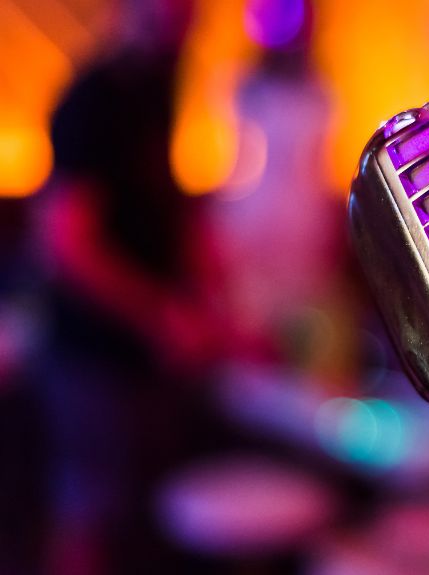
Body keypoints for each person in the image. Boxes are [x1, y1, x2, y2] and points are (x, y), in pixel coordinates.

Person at [34, 1, 228, 572]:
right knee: (89, 517)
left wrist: (208, 294)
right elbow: (67, 246)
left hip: (139, 352)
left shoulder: (161, 83)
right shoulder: (90, 99)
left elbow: (166, 204)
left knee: (131, 516)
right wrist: (162, 314)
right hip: (89, 354)